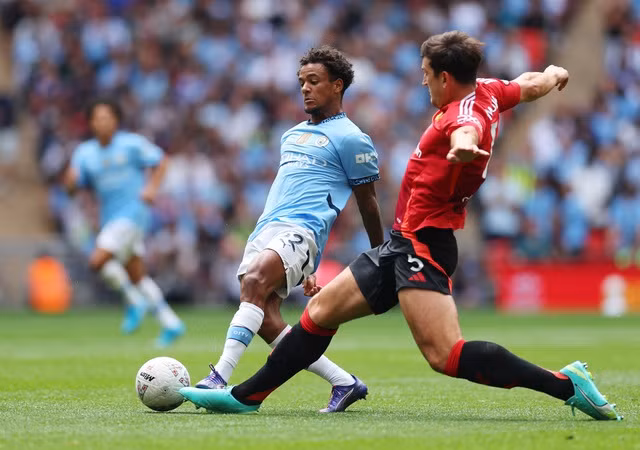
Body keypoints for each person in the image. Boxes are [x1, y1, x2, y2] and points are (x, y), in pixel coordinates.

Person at [180, 31, 622, 421]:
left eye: (426, 74)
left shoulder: (461, 116)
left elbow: (466, 130)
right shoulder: (488, 91)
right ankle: (246, 397)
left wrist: (464, 146)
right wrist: (552, 73)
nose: (423, 82)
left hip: (424, 247)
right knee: (319, 314)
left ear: (445, 78)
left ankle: (565, 384)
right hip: (401, 242)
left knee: (445, 355)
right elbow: (527, 85)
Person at [193, 46, 384, 413]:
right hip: (267, 230)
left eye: (314, 81)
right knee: (265, 317)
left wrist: (380, 255)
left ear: (337, 85)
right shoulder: (291, 135)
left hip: (301, 231)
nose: (305, 89)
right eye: (301, 82)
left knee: (254, 284)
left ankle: (218, 377)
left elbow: (368, 202)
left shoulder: (352, 138)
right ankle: (343, 382)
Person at [64, 99, 185, 347]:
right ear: (90, 123)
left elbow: (162, 161)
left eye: (107, 117)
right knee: (137, 275)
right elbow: (73, 188)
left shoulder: (131, 144)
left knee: (97, 261)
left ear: (116, 120)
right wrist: (70, 182)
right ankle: (171, 323)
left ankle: (133, 301)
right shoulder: (84, 153)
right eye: (97, 118)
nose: (103, 122)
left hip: (134, 213)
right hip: (110, 218)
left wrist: (151, 188)